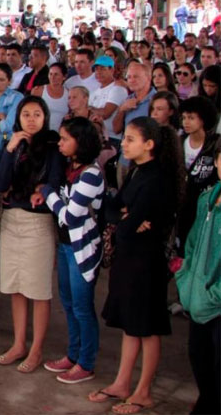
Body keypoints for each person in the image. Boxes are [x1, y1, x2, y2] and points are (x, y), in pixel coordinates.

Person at [90, 117, 183, 414]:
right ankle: (122, 382)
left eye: (130, 139)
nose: (124, 143)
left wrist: (126, 220)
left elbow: (126, 223)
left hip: (147, 262)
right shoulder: (135, 172)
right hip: (129, 258)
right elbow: (110, 209)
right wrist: (125, 217)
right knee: (131, 325)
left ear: (150, 144)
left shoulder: (159, 178)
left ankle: (143, 392)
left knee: (147, 327)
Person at [0, 95, 63, 373]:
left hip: (38, 224)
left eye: (37, 114)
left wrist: (41, 191)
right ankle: (19, 343)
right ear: (18, 118)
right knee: (16, 287)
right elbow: (0, 183)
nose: (31, 120)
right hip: (12, 221)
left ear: (45, 117)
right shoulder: (15, 145)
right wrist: (9, 149)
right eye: (26, 115)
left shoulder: (53, 147)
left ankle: (36, 350)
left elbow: (54, 182)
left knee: (38, 289)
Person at [38, 117, 104, 384]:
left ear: (81, 142)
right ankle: (73, 354)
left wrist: (47, 192)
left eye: (65, 138)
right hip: (66, 247)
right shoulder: (68, 168)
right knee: (68, 303)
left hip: (82, 249)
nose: (61, 143)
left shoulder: (91, 174)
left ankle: (86, 363)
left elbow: (70, 216)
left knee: (82, 307)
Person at [175, 145, 221, 415]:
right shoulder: (207, 198)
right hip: (198, 298)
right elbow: (191, 245)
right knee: (199, 355)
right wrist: (185, 279)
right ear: (215, 162)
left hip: (215, 300)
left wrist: (214, 294)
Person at [177, 97, 219, 255]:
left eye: (192, 118)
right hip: (182, 206)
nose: (186, 122)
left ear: (204, 119)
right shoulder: (178, 142)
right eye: (184, 118)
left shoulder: (215, 144)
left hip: (206, 206)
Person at [32, 62, 69, 131]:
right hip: (41, 132)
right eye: (50, 74)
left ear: (64, 76)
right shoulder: (39, 90)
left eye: (56, 74)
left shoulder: (69, 94)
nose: (52, 77)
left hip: (61, 134)